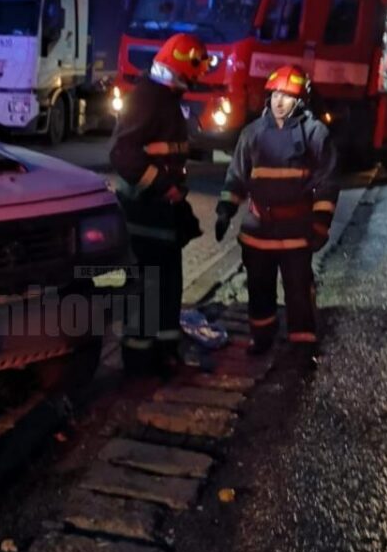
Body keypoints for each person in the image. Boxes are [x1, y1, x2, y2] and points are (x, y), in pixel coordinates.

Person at [214, 65, 338, 361]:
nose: (279, 102)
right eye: (275, 95)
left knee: (298, 291)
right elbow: (236, 176)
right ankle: (262, 337)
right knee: (259, 289)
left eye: (286, 96)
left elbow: (327, 182)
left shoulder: (315, 133)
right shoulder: (252, 133)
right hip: (258, 231)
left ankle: (303, 344)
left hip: (296, 232)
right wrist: (225, 209)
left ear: (300, 100)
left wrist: (320, 224)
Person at [110, 32, 207, 375]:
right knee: (146, 284)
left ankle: (165, 350)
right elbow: (123, 154)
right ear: (175, 68)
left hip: (163, 214)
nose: (193, 81)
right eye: (190, 74)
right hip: (143, 212)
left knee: (168, 283)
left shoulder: (164, 98)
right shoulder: (147, 97)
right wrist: (164, 186)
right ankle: (138, 360)